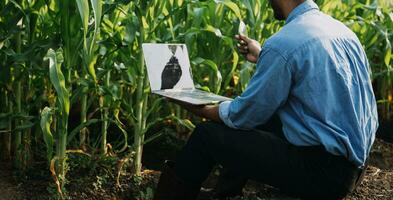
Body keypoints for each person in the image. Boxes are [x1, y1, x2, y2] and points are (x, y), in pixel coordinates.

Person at [153, 0, 379, 199]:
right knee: (267, 116)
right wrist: (262, 54)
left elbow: (242, 116)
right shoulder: (340, 31)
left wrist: (188, 101)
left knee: (207, 136)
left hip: (322, 175)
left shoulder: (284, 43)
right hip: (354, 168)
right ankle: (226, 195)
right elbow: (314, 74)